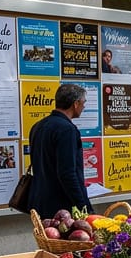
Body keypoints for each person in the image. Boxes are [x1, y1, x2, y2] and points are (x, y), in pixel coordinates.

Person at [28, 83, 92, 216]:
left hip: (41, 204)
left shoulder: (37, 126)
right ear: (75, 104)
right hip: (62, 209)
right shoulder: (66, 130)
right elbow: (67, 173)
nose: (83, 107)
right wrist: (84, 207)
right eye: (83, 102)